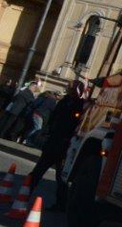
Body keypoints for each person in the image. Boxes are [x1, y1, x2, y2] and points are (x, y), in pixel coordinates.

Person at [26, 79, 86, 210]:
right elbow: (53, 117)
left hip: (66, 145)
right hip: (54, 141)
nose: (70, 90)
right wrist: (47, 132)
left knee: (61, 177)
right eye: (70, 88)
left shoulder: (81, 105)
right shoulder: (64, 101)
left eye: (72, 89)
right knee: (38, 170)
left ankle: (61, 204)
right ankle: (25, 193)